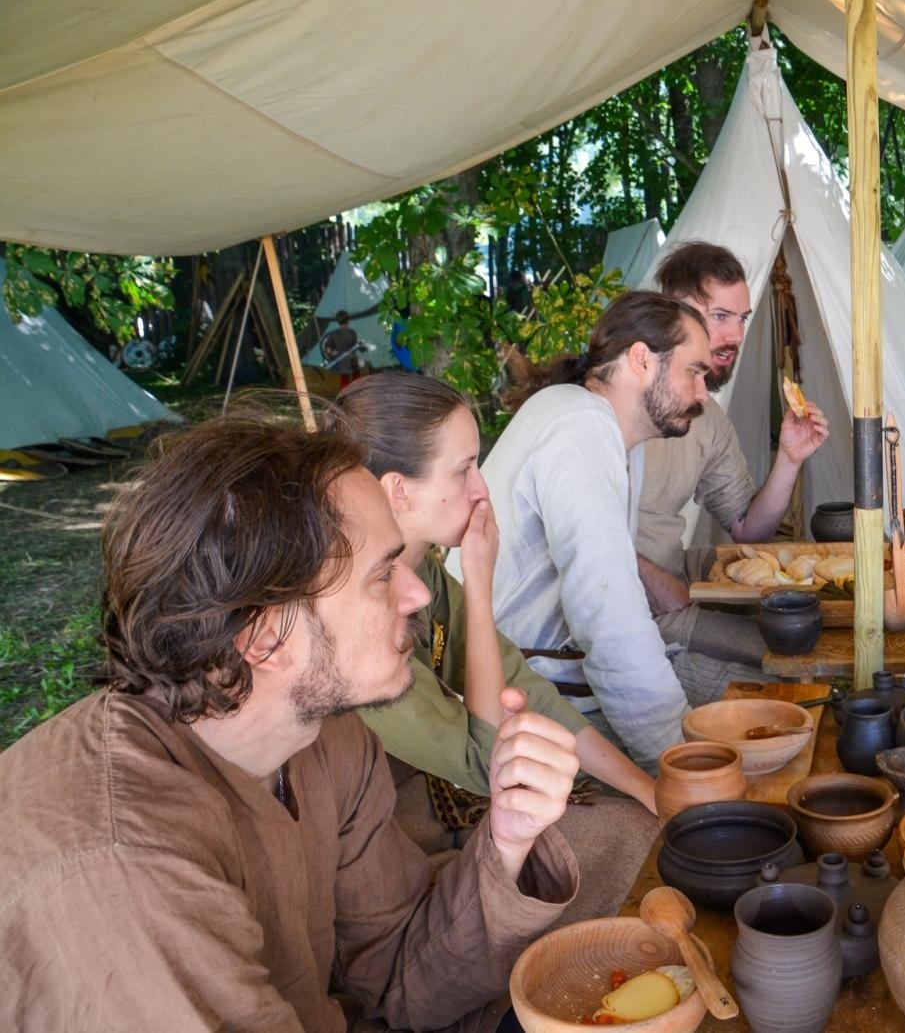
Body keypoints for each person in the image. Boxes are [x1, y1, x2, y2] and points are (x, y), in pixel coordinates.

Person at [0, 412, 581, 1031]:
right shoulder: (123, 869)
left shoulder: (327, 739)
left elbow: (399, 977)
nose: (415, 595)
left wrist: (509, 838)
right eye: (383, 574)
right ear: (266, 637)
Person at [335, 374, 657, 893]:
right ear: (398, 490)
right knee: (629, 842)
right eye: (464, 470)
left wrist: (649, 790)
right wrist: (479, 583)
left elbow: (525, 690)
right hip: (392, 854)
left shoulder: (430, 575)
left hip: (452, 811)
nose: (482, 490)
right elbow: (480, 764)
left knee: (639, 817)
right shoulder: (349, 612)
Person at [462, 290, 713, 770]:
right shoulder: (580, 427)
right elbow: (607, 615)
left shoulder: (593, 423)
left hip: (543, 673)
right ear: (641, 359)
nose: (702, 393)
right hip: (514, 697)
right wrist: (678, 761)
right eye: (694, 371)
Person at [634, 241, 830, 666]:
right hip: (628, 607)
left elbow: (748, 530)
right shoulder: (618, 405)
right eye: (720, 316)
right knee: (782, 660)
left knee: (804, 623)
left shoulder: (708, 418)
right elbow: (579, 536)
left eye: (742, 318)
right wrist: (656, 583)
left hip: (676, 571)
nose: (737, 336)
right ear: (670, 312)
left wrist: (790, 458)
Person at [321, 309, 363, 388]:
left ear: (338, 321)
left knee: (344, 380)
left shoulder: (334, 333)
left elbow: (328, 349)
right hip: (351, 358)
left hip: (341, 359)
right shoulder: (352, 332)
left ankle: (345, 397)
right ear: (348, 320)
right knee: (357, 379)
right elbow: (355, 347)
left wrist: (334, 353)